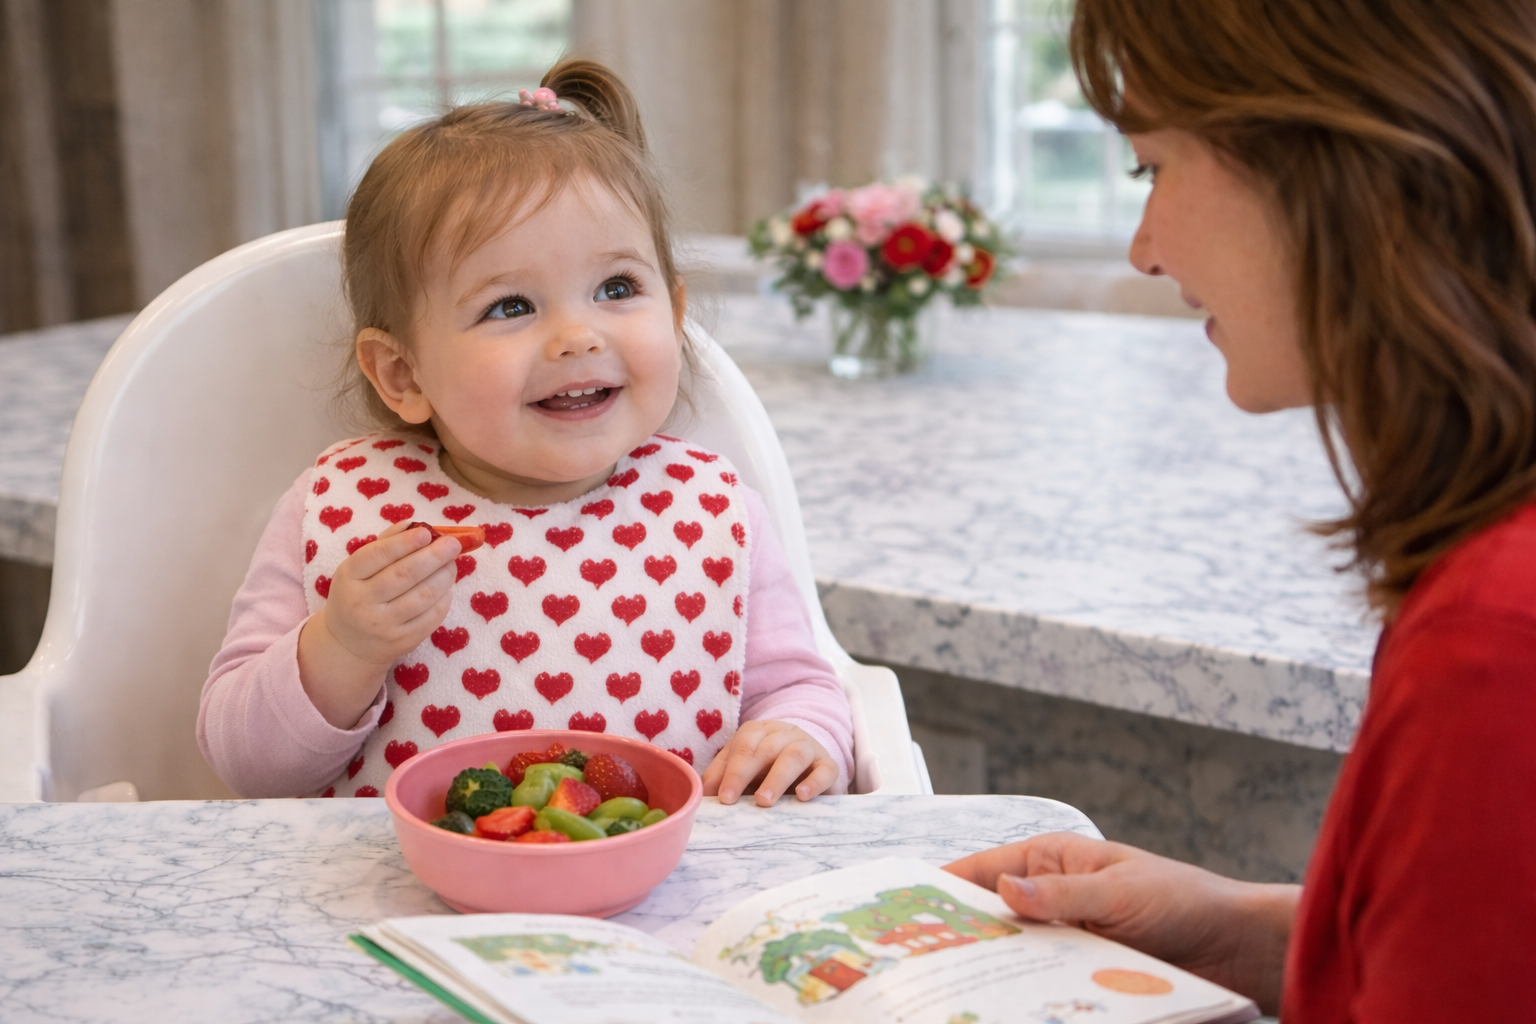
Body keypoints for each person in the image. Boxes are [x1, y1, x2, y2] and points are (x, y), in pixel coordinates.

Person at [947, 0, 1536, 1018]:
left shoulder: (1495, 641)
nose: (1143, 249)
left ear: (1323, 165)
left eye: (1153, 169)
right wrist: (1242, 930)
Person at [198, 60, 852, 806]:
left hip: (664, 878)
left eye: (616, 288)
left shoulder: (711, 508)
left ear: (674, 317)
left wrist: (800, 734)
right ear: (403, 374)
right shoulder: (345, 508)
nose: (578, 336)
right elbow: (244, 764)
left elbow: (800, 689)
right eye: (511, 306)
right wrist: (342, 648)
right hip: (397, 881)